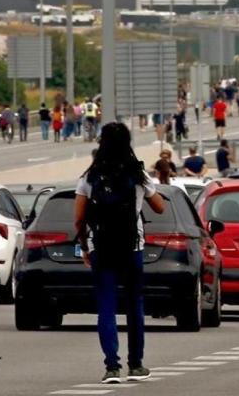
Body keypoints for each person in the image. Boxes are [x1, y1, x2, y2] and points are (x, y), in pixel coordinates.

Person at [74, 122, 166, 384]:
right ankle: (135, 365)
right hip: (132, 247)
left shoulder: (89, 177)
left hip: (101, 247)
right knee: (134, 305)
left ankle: (111, 367)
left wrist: (84, 246)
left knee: (106, 305)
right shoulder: (137, 175)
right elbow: (159, 207)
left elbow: (79, 219)